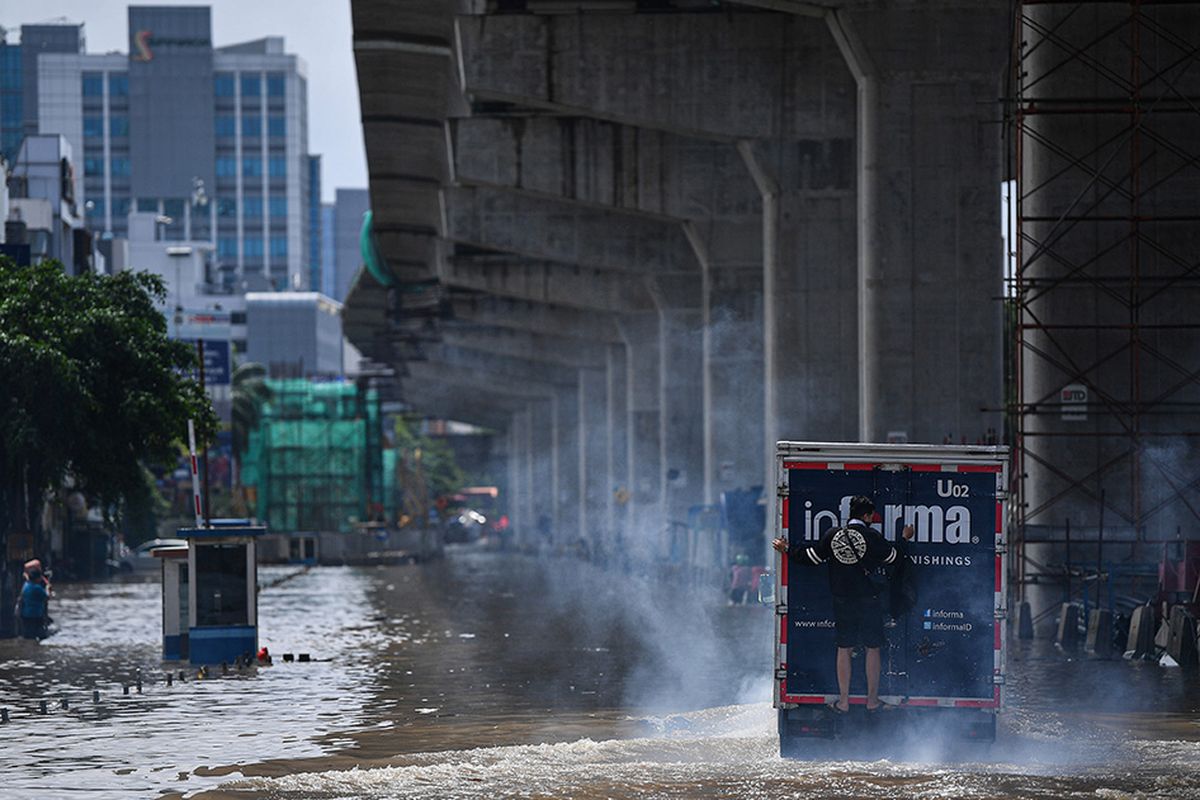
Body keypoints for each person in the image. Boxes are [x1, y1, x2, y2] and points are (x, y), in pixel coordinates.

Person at [772, 495, 914, 714]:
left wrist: (786, 549)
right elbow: (895, 558)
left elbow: (811, 557)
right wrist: (904, 538)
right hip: (869, 601)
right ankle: (872, 701)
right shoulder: (872, 535)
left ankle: (844, 702)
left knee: (844, 648)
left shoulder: (833, 535)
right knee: (872, 648)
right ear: (867, 516)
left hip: (842, 601)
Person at [18, 567, 50, 640]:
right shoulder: (37, 588)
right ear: (37, 578)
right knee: (41, 636)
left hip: (25, 614)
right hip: (36, 615)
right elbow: (47, 597)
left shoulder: (25, 585)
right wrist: (47, 588)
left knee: (29, 636)